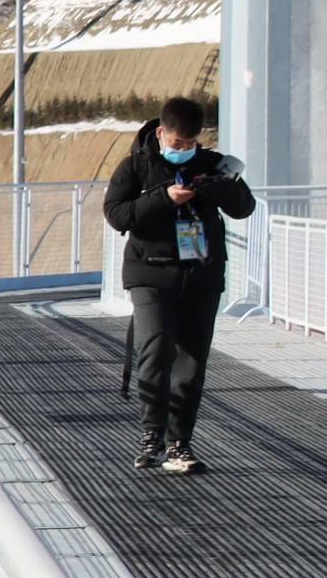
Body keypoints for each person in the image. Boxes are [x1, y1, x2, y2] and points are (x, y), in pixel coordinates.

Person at [104, 95, 256, 473]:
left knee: (191, 363)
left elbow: (244, 207)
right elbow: (117, 214)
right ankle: (150, 436)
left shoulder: (209, 164)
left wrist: (219, 186)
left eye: (191, 144)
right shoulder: (135, 166)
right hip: (150, 274)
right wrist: (165, 199)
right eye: (177, 144)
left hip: (201, 276)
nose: (185, 151)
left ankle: (179, 444)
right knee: (155, 352)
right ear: (160, 133)